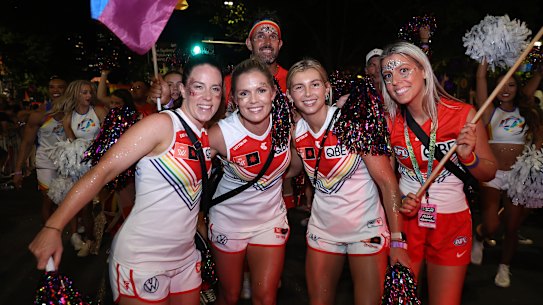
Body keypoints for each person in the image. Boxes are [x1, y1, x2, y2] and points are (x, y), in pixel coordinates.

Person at [29, 54, 224, 305]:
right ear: (184, 90)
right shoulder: (160, 125)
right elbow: (103, 171)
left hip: (186, 259)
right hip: (143, 259)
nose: (208, 96)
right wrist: (54, 226)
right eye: (199, 87)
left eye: (215, 88)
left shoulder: (208, 135)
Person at [286, 58, 412, 305]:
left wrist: (398, 241)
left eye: (314, 84)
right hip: (322, 231)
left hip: (366, 231)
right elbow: (289, 170)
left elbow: (388, 183)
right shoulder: (296, 132)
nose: (308, 93)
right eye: (299, 87)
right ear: (290, 95)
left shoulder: (353, 122)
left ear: (327, 89)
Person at [381, 42, 497, 305]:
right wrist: (399, 203)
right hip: (406, 221)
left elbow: (489, 172)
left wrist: (469, 158)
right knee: (401, 300)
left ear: (423, 70)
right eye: (388, 75)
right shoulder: (388, 122)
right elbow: (384, 181)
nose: (395, 81)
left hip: (452, 221)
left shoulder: (463, 114)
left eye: (403, 70)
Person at [207, 58, 296, 305]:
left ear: (274, 92)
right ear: (234, 99)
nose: (254, 100)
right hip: (228, 222)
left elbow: (296, 165)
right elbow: (190, 176)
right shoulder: (221, 134)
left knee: (266, 297)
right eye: (244, 93)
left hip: (270, 222)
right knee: (230, 296)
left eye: (261, 90)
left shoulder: (285, 124)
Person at [471, 60, 543, 287]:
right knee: (493, 226)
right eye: (501, 84)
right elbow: (480, 79)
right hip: (493, 174)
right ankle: (481, 234)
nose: (505, 89)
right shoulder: (489, 111)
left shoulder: (526, 110)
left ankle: (505, 267)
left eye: (511, 85)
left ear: (517, 88)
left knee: (512, 227)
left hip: (517, 176)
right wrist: (483, 56)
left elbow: (536, 78)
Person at [13, 77, 67, 222]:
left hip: (67, 162)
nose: (55, 90)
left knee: (65, 199)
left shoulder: (74, 111)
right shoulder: (39, 115)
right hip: (46, 162)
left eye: (60, 87)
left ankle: (67, 231)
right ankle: (48, 233)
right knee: (49, 197)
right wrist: (18, 170)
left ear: (66, 89)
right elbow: (27, 143)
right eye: (52, 87)